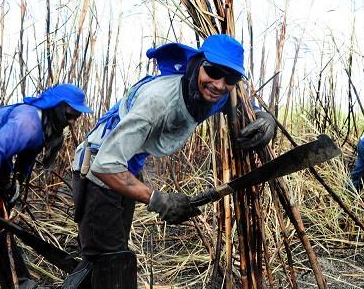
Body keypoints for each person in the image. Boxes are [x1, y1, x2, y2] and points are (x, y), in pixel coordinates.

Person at [66, 34, 276, 287]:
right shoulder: (158, 101)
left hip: (129, 168)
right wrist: (158, 200)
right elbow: (106, 165)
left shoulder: (218, 93)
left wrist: (266, 119)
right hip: (99, 167)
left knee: (113, 250)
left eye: (230, 78)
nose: (219, 84)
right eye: (213, 71)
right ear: (197, 63)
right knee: (108, 259)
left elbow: (245, 108)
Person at [0, 84, 93, 289]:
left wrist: (14, 184)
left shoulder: (44, 127)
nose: (71, 122)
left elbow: (26, 157)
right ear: (55, 106)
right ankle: (21, 284)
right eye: (69, 115)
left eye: (76, 117)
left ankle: (20, 284)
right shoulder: (28, 123)